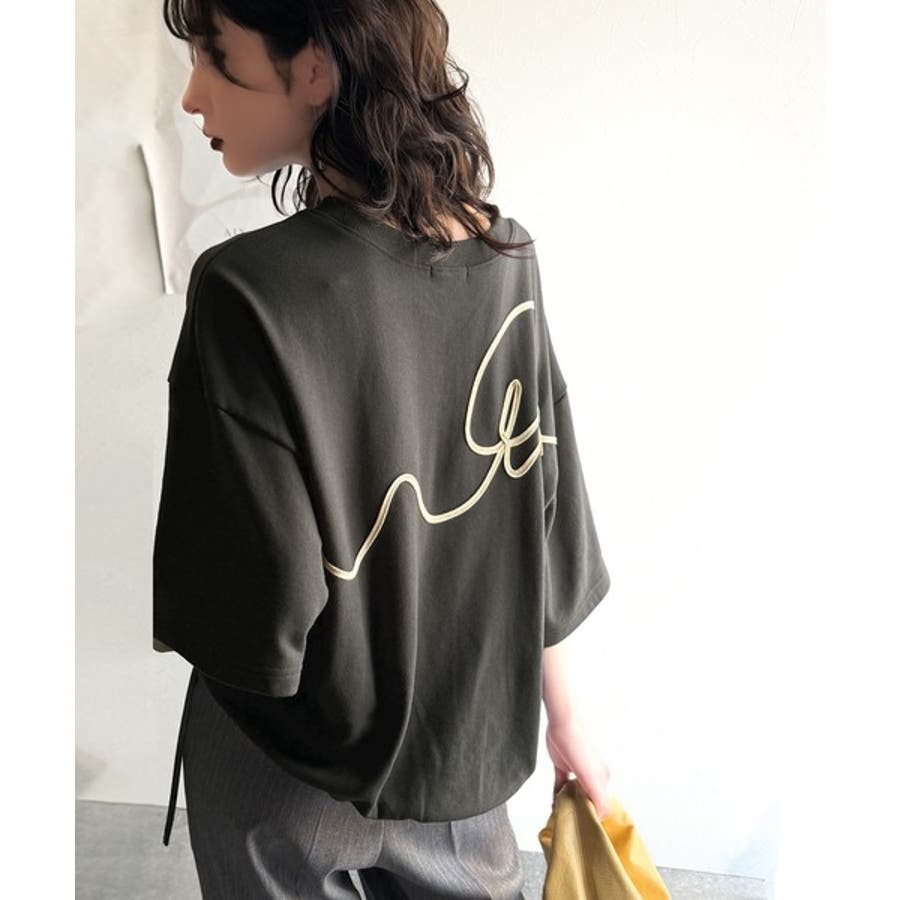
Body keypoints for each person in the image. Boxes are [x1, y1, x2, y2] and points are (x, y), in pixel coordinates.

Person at [153, 1, 613, 897]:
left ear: (315, 68)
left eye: (214, 53)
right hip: (465, 753)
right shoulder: (507, 256)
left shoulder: (247, 293)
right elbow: (539, 516)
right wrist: (567, 721)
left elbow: (254, 622)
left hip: (287, 769)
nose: (192, 96)